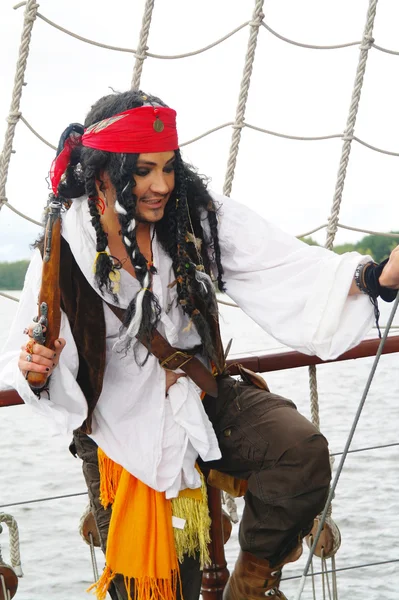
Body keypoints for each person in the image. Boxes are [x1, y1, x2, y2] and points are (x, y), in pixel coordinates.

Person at [1, 89, 399, 600]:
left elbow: (278, 265)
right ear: (105, 171)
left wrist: (376, 276)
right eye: (143, 171)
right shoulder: (64, 243)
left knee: (300, 455)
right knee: (161, 587)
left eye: (168, 167)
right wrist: (36, 366)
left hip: (202, 400)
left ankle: (248, 588)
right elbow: (25, 353)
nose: (161, 185)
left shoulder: (192, 213)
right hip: (118, 435)